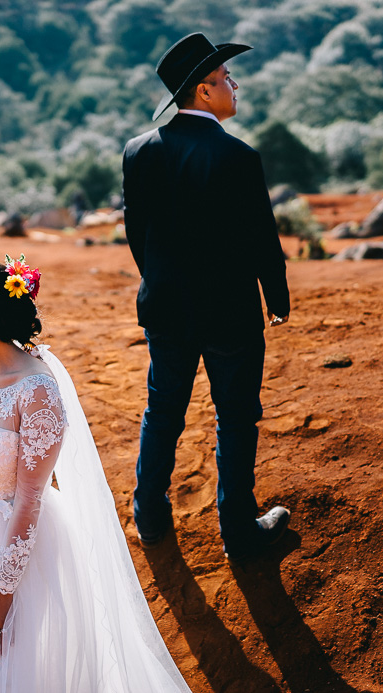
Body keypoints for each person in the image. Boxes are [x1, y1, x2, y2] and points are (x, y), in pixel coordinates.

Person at [0, 256, 192, 692]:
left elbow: (30, 498)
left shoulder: (36, 391)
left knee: (11, 661)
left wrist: (4, 589)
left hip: (12, 549)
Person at [121, 33, 292, 561]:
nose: (233, 86)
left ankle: (149, 517)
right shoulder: (238, 156)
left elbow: (137, 234)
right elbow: (262, 237)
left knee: (162, 409)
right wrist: (276, 299)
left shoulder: (138, 151)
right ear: (203, 91)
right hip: (230, 315)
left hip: (166, 309)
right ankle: (239, 533)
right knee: (236, 418)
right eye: (224, 80)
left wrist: (162, 281)